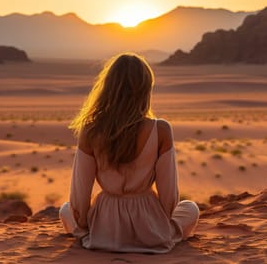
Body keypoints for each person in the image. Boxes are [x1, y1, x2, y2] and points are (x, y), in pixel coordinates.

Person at [59, 52, 199, 253]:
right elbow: (169, 196)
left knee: (65, 209)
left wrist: (84, 226)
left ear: (108, 87)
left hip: (104, 229)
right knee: (190, 208)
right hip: (150, 228)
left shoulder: (90, 130)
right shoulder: (160, 129)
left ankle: (103, 240)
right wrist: (160, 224)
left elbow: (80, 193)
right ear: (145, 89)